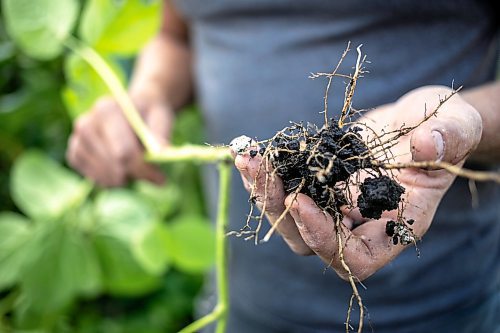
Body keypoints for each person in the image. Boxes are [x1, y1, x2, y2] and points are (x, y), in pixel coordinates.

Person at [67, 1, 500, 332]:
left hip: (433, 310)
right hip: (238, 302)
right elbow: (174, 33)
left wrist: (467, 124)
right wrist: (148, 95)